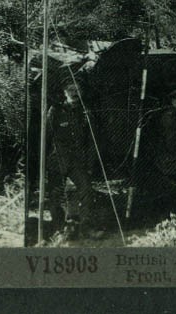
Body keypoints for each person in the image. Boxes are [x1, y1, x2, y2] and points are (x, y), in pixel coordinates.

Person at [45, 81, 102, 237]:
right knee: (55, 195)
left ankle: (86, 227)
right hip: (57, 161)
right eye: (70, 89)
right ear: (64, 92)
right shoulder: (55, 111)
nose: (74, 92)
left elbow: (92, 141)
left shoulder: (86, 112)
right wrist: (43, 164)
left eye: (77, 89)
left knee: (87, 190)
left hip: (77, 161)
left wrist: (90, 163)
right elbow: (46, 138)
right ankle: (60, 229)